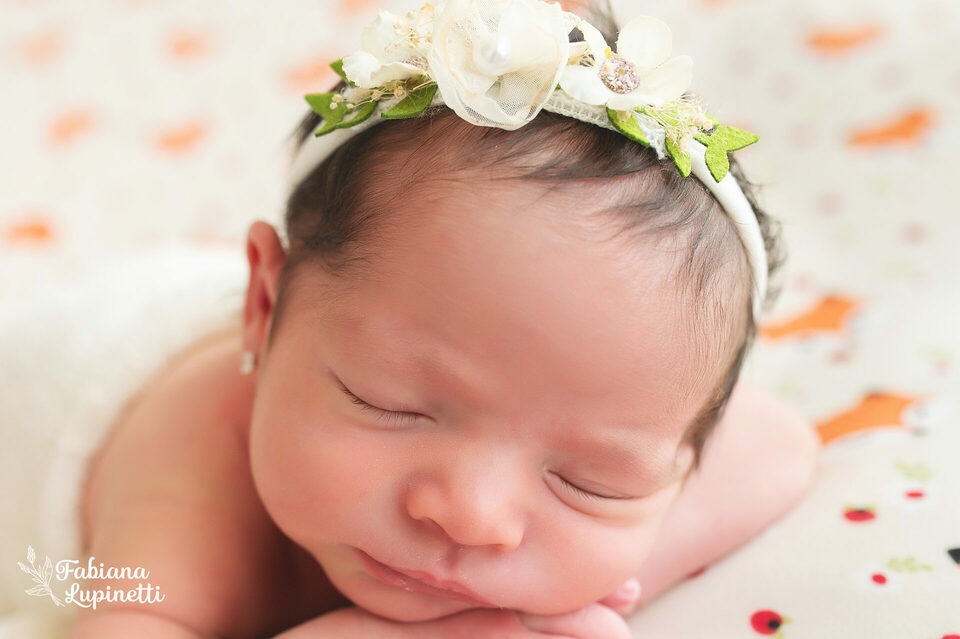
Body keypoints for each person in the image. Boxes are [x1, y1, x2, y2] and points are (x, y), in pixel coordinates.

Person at [67, 0, 820, 637]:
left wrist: (575, 593)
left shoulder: (608, 394)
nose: (472, 516)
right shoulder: (193, 462)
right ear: (262, 310)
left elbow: (781, 448)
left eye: (589, 481)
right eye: (390, 404)